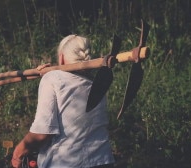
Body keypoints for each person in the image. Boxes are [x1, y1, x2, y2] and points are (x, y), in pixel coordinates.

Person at [11, 35, 115, 168]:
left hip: (67, 163)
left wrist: (18, 152)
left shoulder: (53, 78)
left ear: (61, 57)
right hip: (103, 161)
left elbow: (42, 132)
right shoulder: (98, 83)